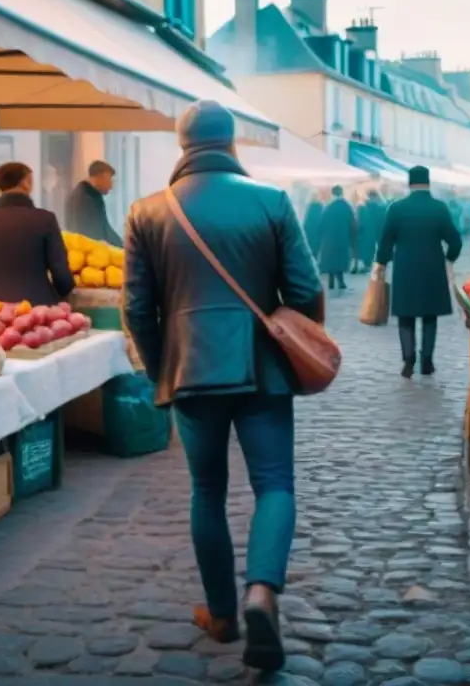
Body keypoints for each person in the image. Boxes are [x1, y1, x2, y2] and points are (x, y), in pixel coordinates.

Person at [123, 100, 324, 673]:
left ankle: (220, 613)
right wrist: (291, 335)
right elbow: (306, 289)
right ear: (231, 141)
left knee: (206, 490)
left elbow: (137, 308)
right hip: (262, 365)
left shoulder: (146, 211)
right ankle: (262, 593)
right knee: (274, 483)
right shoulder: (272, 201)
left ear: (183, 145)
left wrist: (163, 367)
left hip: (189, 369)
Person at [375, 166, 462, 378]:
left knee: (406, 315)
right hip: (432, 267)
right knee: (430, 316)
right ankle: (427, 361)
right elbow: (455, 241)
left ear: (409, 183)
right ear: (428, 183)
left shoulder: (396, 208)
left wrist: (381, 263)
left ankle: (408, 359)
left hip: (405, 267)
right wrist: (449, 258)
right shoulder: (439, 208)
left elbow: (386, 240)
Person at [0, 162, 75, 305]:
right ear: (26, 182)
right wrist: (65, 291)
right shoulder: (45, 219)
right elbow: (61, 275)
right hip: (40, 308)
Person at [64, 159, 122, 245]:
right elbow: (91, 236)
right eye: (109, 179)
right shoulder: (84, 198)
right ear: (98, 177)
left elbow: (105, 228)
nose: (111, 186)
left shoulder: (91, 195)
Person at [317, 184, 356, 291]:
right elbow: (353, 223)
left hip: (329, 238)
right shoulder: (347, 206)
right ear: (342, 192)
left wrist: (321, 236)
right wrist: (353, 237)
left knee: (330, 259)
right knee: (340, 259)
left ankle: (331, 281)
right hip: (342, 237)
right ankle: (341, 281)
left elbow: (321, 223)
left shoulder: (328, 206)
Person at [356, 189, 386, 274]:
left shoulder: (364, 207)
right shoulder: (382, 206)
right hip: (377, 230)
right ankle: (379, 265)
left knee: (369, 248)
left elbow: (360, 219)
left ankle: (368, 265)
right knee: (377, 247)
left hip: (368, 230)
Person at [302, 189, 324, 257]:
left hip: (310, 234)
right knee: (316, 253)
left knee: (310, 252)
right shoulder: (320, 207)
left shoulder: (310, 207)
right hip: (317, 235)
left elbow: (306, 222)